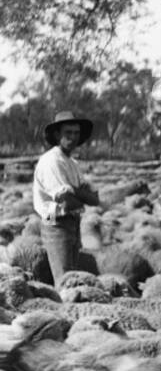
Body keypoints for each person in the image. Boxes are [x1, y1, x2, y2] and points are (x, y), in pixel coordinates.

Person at [33, 110, 99, 283]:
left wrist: (75, 193)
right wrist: (80, 195)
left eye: (76, 133)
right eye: (68, 133)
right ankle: (65, 308)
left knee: (73, 278)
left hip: (73, 222)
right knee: (65, 280)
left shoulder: (72, 163)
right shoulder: (51, 161)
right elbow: (67, 202)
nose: (73, 137)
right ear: (57, 135)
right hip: (55, 223)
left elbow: (95, 198)